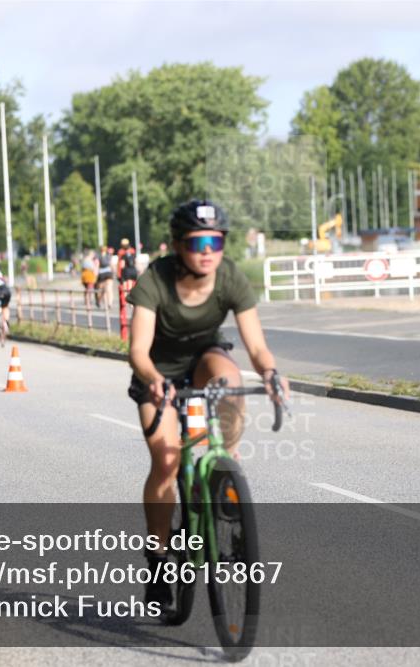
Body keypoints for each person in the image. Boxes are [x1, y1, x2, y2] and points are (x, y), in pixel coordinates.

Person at [126, 199, 289, 607]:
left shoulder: (229, 277)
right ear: (179, 244)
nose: (207, 251)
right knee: (166, 462)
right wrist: (155, 381)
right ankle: (160, 559)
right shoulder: (155, 280)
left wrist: (270, 372)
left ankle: (222, 471)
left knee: (229, 381)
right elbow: (138, 351)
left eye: (215, 242)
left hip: (202, 360)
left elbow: (255, 345)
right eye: (198, 241)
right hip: (158, 373)